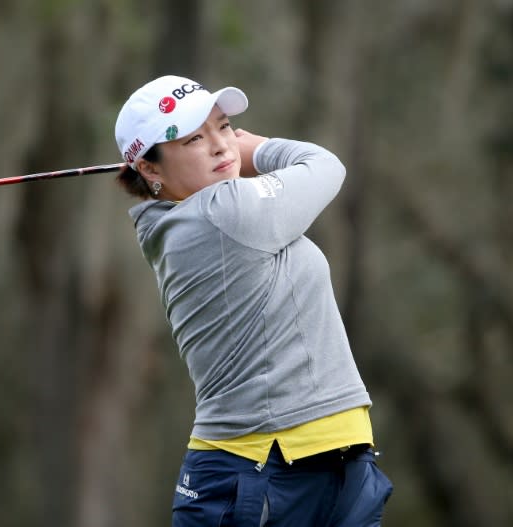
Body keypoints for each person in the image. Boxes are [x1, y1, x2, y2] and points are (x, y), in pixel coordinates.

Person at [114, 75, 393, 527]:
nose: (221, 146)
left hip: (320, 459)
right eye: (194, 139)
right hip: (258, 469)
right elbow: (324, 167)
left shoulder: (189, 217)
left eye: (223, 127)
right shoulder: (223, 213)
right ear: (150, 169)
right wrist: (260, 149)